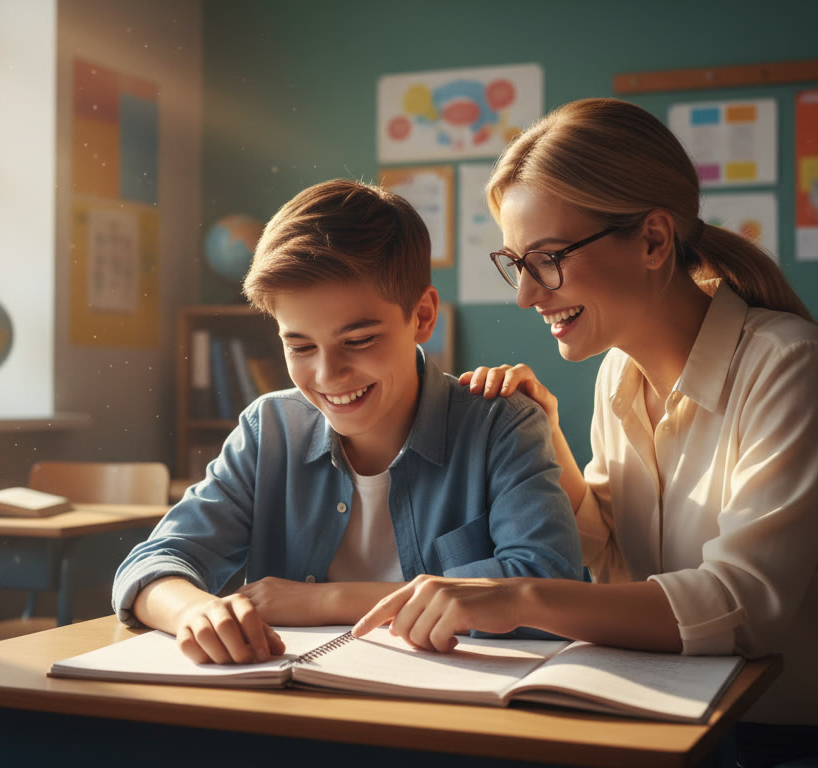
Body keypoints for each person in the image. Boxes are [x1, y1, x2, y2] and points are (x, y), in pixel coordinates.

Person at [352, 99, 818, 767]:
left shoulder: (791, 365)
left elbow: (743, 606)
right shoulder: (620, 373)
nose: (527, 296)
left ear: (652, 239)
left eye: (548, 259)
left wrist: (514, 597)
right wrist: (548, 439)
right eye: (517, 263)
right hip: (698, 721)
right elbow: (618, 557)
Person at [113, 178, 582, 667]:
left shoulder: (501, 426)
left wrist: (324, 601)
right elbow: (152, 564)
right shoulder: (268, 430)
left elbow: (552, 587)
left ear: (422, 316)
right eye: (299, 346)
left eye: (358, 341)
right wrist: (196, 611)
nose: (327, 374)